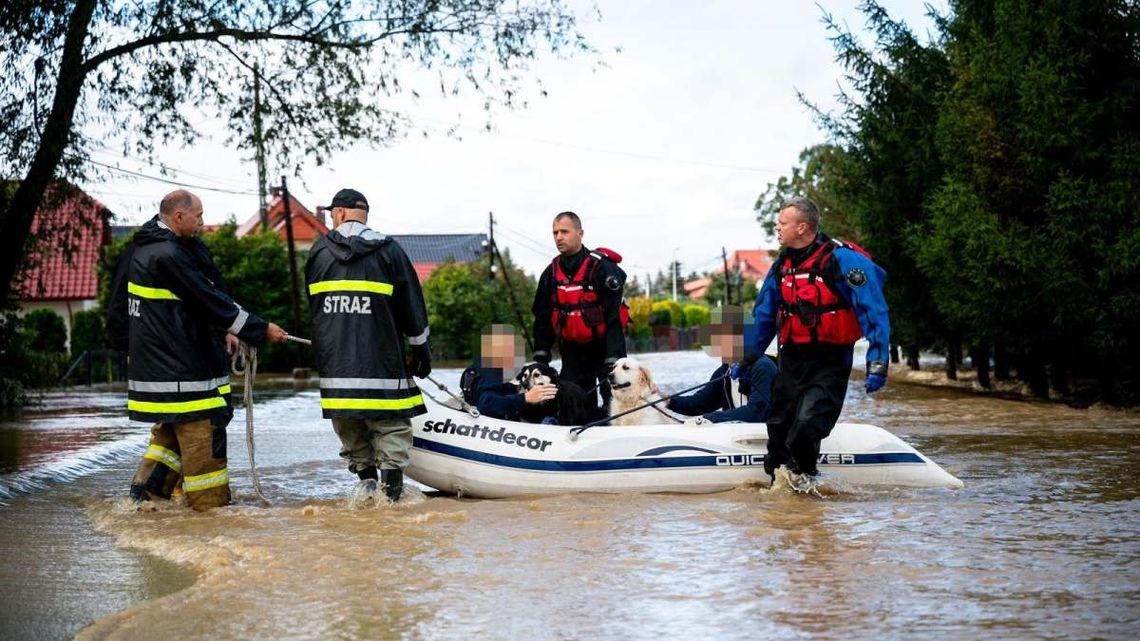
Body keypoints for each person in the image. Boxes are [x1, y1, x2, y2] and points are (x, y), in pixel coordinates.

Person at [109, 189, 288, 511]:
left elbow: (193, 301)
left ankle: (145, 498)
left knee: (169, 435)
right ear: (179, 217)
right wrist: (261, 330)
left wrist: (223, 332)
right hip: (184, 371)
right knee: (204, 434)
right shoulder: (169, 254)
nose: (203, 223)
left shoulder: (147, 249)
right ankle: (211, 513)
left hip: (165, 368)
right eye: (199, 216)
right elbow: (209, 300)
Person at [752, 196, 890, 494]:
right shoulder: (782, 266)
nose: (777, 228)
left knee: (806, 423)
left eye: (782, 223)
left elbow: (874, 311)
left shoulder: (843, 261)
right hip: (791, 358)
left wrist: (878, 362)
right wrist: (744, 360)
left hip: (830, 360)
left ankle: (804, 484)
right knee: (777, 426)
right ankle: (781, 495)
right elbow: (763, 315)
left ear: (802, 227)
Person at [305, 188, 431, 504]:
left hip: (337, 371)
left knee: (353, 437)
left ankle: (367, 495)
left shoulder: (318, 252)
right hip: (383, 367)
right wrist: (421, 350)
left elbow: (315, 309)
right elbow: (413, 307)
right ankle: (391, 503)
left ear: (340, 213)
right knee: (391, 432)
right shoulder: (391, 251)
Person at [531, 211, 627, 408]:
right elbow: (542, 315)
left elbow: (613, 316)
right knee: (573, 399)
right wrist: (541, 354)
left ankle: (615, 430)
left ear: (580, 233)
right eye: (555, 232)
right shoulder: (550, 273)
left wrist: (614, 357)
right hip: (573, 350)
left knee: (613, 399)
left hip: (604, 346)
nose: (559, 237)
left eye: (564, 231)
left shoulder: (602, 268)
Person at [667, 307, 777, 424]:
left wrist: (711, 418)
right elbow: (700, 403)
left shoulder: (763, 367)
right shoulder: (725, 371)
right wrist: (668, 401)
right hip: (737, 436)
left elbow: (756, 413)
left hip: (766, 436)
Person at [462, 324, 558, 421]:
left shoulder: (475, 369)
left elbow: (498, 388)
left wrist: (518, 388)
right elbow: (486, 403)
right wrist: (525, 398)